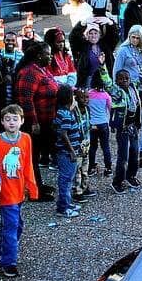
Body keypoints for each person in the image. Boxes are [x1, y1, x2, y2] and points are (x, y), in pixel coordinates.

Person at [0, 105, 37, 278]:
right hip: (5, 190)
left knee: (17, 225)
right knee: (11, 225)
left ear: (22, 121)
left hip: (19, 189)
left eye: (15, 119)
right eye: (7, 119)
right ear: (2, 121)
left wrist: (31, 187)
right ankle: (9, 262)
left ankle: (1, 252)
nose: (11, 122)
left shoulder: (26, 138)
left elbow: (28, 163)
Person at [14, 43, 57, 201]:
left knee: (36, 155)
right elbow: (25, 99)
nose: (50, 57)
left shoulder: (41, 70)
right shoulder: (29, 72)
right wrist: (33, 122)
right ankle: (34, 191)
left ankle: (38, 184)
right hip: (34, 123)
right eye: (48, 54)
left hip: (46, 120)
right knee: (32, 157)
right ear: (39, 56)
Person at [109, 70, 142, 194]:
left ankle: (131, 176)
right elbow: (107, 82)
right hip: (122, 128)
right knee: (123, 156)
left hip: (133, 126)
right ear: (116, 81)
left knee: (134, 152)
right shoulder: (117, 92)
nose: (124, 81)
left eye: (126, 78)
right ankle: (117, 181)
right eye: (121, 79)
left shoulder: (133, 89)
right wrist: (102, 66)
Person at [52, 85, 82, 218]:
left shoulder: (61, 112)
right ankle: (63, 208)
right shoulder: (65, 115)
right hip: (66, 152)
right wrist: (72, 151)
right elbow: (64, 134)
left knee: (68, 178)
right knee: (66, 179)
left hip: (65, 151)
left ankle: (67, 203)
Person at [87, 72, 113, 178]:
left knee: (92, 147)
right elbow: (110, 109)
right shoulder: (106, 95)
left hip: (92, 124)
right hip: (103, 123)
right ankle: (108, 168)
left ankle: (91, 167)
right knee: (105, 146)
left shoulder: (88, 94)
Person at [113, 24, 142, 89]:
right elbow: (117, 69)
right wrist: (116, 87)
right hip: (127, 85)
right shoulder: (123, 50)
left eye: (138, 38)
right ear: (129, 36)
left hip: (140, 85)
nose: (135, 40)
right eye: (133, 37)